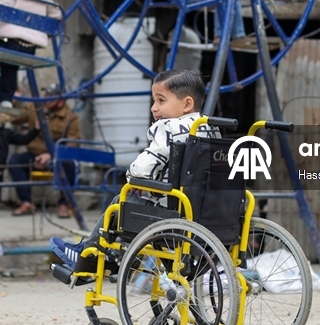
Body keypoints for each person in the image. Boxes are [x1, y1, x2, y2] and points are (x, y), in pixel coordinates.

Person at [50, 69, 221, 271]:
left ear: (187, 104)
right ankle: (112, 255)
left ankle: (89, 253)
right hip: (207, 214)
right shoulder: (210, 128)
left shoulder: (168, 127)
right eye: (154, 101)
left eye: (161, 101)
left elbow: (142, 169)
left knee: (120, 202)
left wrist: (132, 176)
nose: (153, 108)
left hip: (171, 213)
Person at [9, 83, 82, 218]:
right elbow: (15, 119)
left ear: (60, 102)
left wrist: (51, 155)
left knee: (70, 165)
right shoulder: (34, 108)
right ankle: (26, 202)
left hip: (56, 157)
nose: (46, 99)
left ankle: (64, 204)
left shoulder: (70, 117)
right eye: (46, 95)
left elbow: (73, 143)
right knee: (15, 161)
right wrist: (13, 102)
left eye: (50, 97)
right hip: (34, 154)